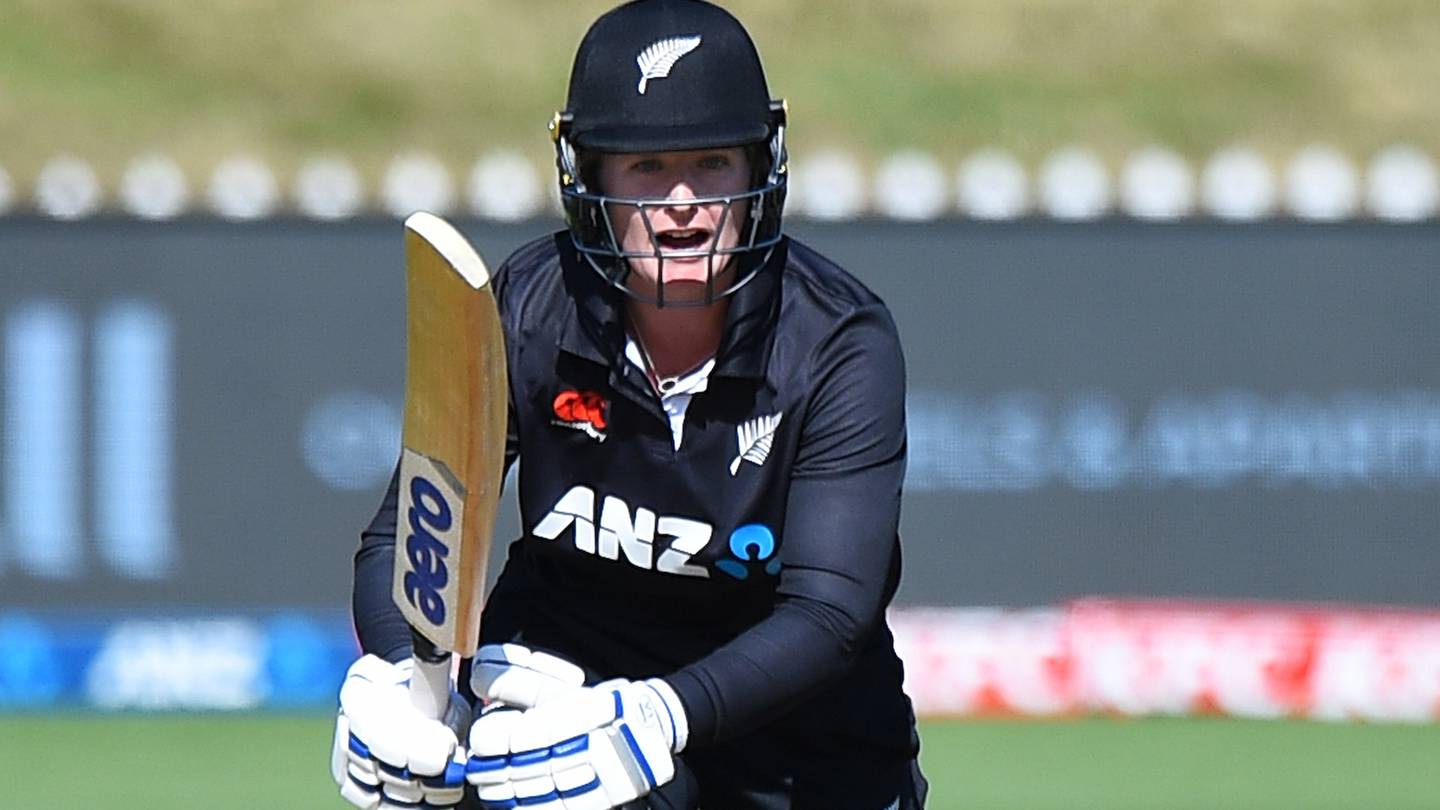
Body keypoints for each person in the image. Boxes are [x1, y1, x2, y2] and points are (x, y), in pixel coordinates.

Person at [333, 1, 929, 807]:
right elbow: (406, 535)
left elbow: (828, 614)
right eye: (645, 168)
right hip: (561, 714)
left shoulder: (837, 339)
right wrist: (408, 680)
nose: (682, 201)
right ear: (591, 179)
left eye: (714, 162)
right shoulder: (529, 308)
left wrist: (657, 712)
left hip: (803, 759)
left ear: (760, 172)